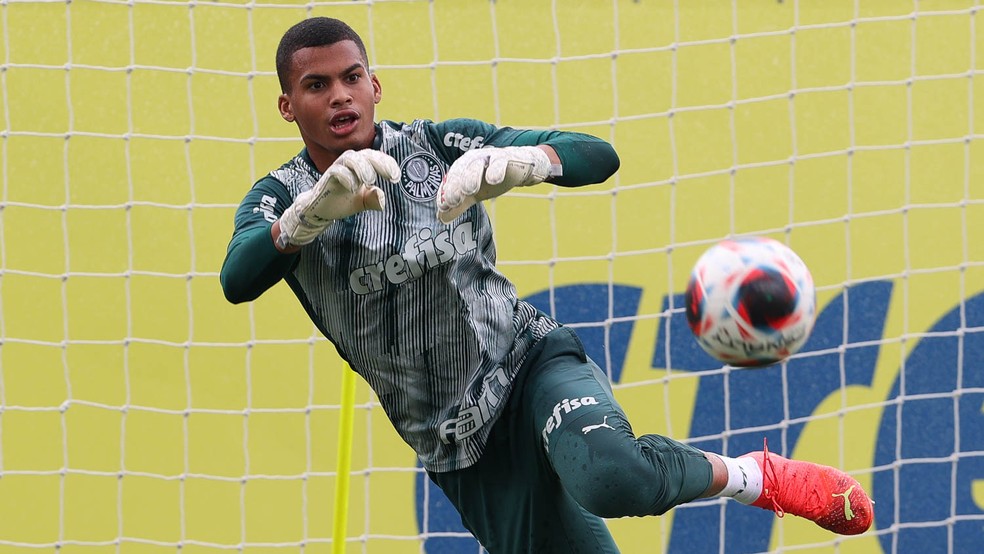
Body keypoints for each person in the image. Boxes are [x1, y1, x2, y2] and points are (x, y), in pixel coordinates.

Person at [220, 16, 873, 553]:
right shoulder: (282, 195)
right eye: (316, 84)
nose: (339, 95)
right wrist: (305, 221)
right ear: (287, 105)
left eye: (352, 78)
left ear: (375, 85)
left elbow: (597, 156)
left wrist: (528, 162)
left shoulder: (435, 145)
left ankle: (758, 478)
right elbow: (237, 278)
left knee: (612, 479)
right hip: (457, 443)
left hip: (527, 365)